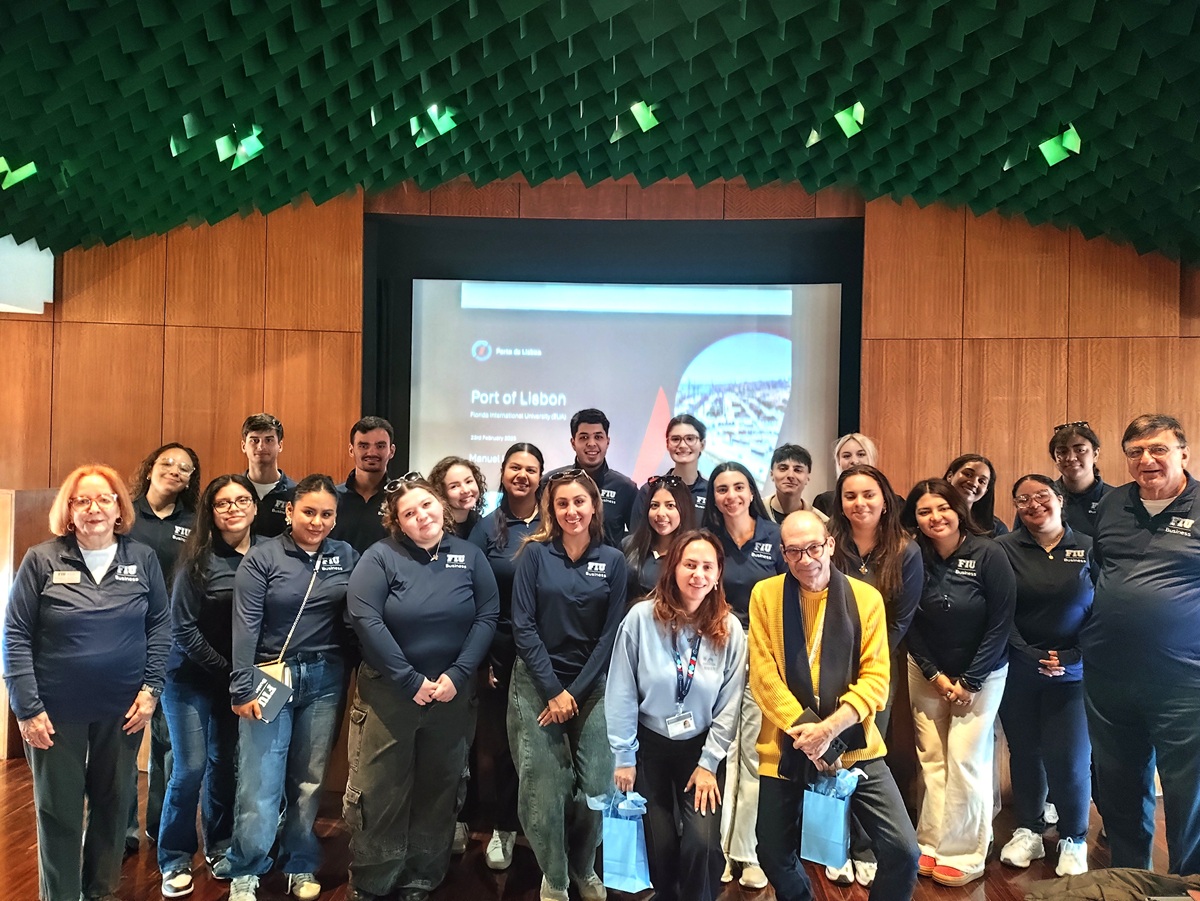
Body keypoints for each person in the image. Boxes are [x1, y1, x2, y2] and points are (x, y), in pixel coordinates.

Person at [3, 463, 169, 901]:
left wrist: (151, 691)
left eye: (104, 499)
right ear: (69, 510)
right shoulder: (42, 559)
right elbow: (15, 634)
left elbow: (160, 626)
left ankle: (101, 892)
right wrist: (27, 707)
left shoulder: (142, 559)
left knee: (113, 805)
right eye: (82, 500)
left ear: (119, 508)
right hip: (54, 711)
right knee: (58, 810)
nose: (94, 508)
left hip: (124, 709)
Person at [750, 511, 919, 901]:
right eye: (794, 551)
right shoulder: (766, 595)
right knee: (772, 852)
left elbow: (876, 679)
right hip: (787, 744)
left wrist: (828, 731)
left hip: (854, 745)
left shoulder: (866, 598)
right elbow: (763, 676)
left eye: (813, 548)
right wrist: (810, 735)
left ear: (829, 545)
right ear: (783, 554)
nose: (806, 559)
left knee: (903, 850)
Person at [344, 476, 499, 901]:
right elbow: (365, 619)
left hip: (451, 695)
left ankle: (421, 877)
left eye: (426, 506)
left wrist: (458, 674)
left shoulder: (469, 556)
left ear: (441, 507)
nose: (421, 516)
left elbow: (487, 614)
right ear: (397, 522)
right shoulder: (380, 557)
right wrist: (409, 679)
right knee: (379, 788)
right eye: (409, 513)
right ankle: (374, 879)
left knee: (440, 787)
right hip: (390, 693)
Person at [224, 474, 360, 901]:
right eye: (309, 512)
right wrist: (241, 687)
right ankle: (247, 866)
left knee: (309, 780)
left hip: (325, 677)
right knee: (259, 780)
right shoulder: (263, 557)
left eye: (327, 514)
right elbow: (245, 626)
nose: (317, 522)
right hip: (270, 675)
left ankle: (299, 861)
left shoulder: (346, 555)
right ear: (289, 511)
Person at [1082, 413, 1200, 875]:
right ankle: (1130, 878)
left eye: (1159, 449)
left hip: (1183, 680)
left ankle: (1188, 884)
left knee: (1188, 790)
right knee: (1119, 785)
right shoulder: (1113, 504)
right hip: (1108, 676)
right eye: (1136, 452)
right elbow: (1100, 570)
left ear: (1183, 454)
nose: (1146, 459)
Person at [606, 530, 747, 901]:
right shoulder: (640, 618)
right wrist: (624, 756)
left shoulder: (730, 628)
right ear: (673, 568)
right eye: (690, 565)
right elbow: (621, 690)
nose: (698, 574)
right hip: (648, 745)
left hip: (700, 749)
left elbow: (730, 703)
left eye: (707, 567)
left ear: (718, 574)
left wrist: (709, 762)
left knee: (702, 845)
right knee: (661, 844)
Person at [509, 469, 627, 901]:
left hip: (591, 685)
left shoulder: (613, 560)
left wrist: (572, 693)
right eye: (562, 503)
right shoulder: (535, 555)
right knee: (544, 784)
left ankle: (582, 865)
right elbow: (523, 627)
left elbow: (610, 635)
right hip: (536, 683)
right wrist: (553, 689)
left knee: (598, 784)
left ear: (594, 506)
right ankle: (555, 876)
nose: (571, 511)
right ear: (551, 510)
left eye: (579, 502)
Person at [902, 478, 1015, 886]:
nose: (935, 517)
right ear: (914, 518)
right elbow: (908, 619)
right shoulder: (913, 555)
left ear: (958, 509)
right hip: (926, 672)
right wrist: (934, 675)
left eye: (942, 508)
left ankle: (965, 851)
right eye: (924, 511)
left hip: (981, 674)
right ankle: (931, 841)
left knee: (965, 758)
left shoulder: (989, 553)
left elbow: (1001, 622)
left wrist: (969, 680)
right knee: (932, 757)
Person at [157, 475, 259, 897]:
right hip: (189, 678)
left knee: (224, 764)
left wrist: (241, 676)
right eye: (223, 503)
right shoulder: (197, 561)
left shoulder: (267, 555)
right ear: (210, 513)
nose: (233, 509)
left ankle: (219, 845)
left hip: (236, 682)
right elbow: (182, 629)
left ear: (255, 507)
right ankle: (174, 856)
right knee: (190, 767)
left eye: (241, 500)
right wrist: (228, 671)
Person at [827, 463, 923, 887]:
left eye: (868, 495)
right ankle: (835, 845)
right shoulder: (830, 544)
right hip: (828, 667)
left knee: (864, 755)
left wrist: (867, 660)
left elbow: (901, 619)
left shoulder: (906, 550)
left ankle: (864, 846)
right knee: (830, 755)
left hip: (878, 670)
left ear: (885, 501)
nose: (859, 503)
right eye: (850, 496)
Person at [995, 475, 1094, 878]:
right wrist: (1030, 654)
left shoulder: (1089, 547)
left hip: (1074, 672)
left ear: (1059, 499)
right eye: (1023, 499)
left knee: (1070, 759)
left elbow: (1103, 609)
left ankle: (1074, 838)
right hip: (1020, 669)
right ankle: (1029, 830)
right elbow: (999, 611)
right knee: (1025, 754)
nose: (1034, 504)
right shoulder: (1003, 549)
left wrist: (1072, 657)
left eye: (1042, 496)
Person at [702, 461, 786, 889]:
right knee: (717, 751)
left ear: (752, 492)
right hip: (715, 649)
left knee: (753, 752)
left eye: (739, 487)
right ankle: (716, 848)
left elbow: (790, 597)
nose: (731, 495)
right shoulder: (707, 541)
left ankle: (746, 851)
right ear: (713, 498)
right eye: (722, 489)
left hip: (764, 651)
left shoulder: (775, 537)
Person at [466, 442, 544, 870]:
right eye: (515, 467)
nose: (522, 475)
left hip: (546, 654)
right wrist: (483, 660)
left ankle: (539, 827)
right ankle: (503, 827)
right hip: (498, 650)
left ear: (540, 476)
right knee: (500, 748)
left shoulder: (555, 522)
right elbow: (473, 597)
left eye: (531, 469)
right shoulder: (486, 529)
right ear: (503, 471)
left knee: (538, 747)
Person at [125, 441, 201, 854]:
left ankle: (160, 825)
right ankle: (122, 833)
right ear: (151, 467)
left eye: (184, 468)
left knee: (169, 744)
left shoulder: (195, 523)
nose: (175, 470)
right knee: (122, 741)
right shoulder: (124, 514)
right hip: (123, 639)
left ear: (190, 480)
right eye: (167, 462)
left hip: (173, 642)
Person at [545, 408, 637, 548]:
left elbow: (637, 539)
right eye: (584, 437)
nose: (592, 443)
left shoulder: (625, 488)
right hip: (559, 560)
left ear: (607, 441)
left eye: (598, 437)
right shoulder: (552, 482)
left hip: (609, 561)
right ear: (573, 443)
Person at [624, 475, 698, 601]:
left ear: (684, 509)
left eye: (670, 506)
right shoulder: (629, 545)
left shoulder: (694, 553)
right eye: (654, 505)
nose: (660, 513)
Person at [629, 414, 710, 522]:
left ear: (702, 445)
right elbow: (638, 532)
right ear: (667, 444)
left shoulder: (712, 493)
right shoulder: (649, 490)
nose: (682, 445)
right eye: (675, 439)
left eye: (690, 439)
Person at [332, 416, 396, 553]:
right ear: (351, 450)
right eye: (363, 446)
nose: (372, 452)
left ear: (391, 451)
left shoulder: (399, 499)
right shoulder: (332, 498)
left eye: (380, 446)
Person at [1046, 421, 1112, 536]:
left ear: (1095, 454)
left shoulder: (1116, 499)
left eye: (1080, 450)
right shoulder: (1042, 499)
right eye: (1062, 452)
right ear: (1055, 458)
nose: (1071, 458)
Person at [241, 413, 295, 537]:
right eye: (254, 440)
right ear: (243, 446)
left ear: (280, 445)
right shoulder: (233, 492)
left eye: (269, 440)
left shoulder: (296, 493)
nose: (261, 447)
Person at [813, 433, 880, 516]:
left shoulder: (890, 499)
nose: (854, 461)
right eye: (846, 456)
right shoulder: (824, 501)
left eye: (861, 454)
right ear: (838, 461)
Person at [944, 453, 1008, 536]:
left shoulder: (996, 529)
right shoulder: (930, 517)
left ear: (985, 492)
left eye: (981, 481)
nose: (974, 483)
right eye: (968, 474)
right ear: (950, 476)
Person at [429, 455, 486, 539]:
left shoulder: (478, 521)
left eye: (468, 481)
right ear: (441, 492)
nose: (465, 490)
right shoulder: (436, 529)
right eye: (454, 486)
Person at [764, 444, 822, 523]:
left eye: (797, 470)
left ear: (808, 477)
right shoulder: (754, 512)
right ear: (771, 474)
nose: (790, 475)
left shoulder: (820, 522)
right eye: (783, 469)